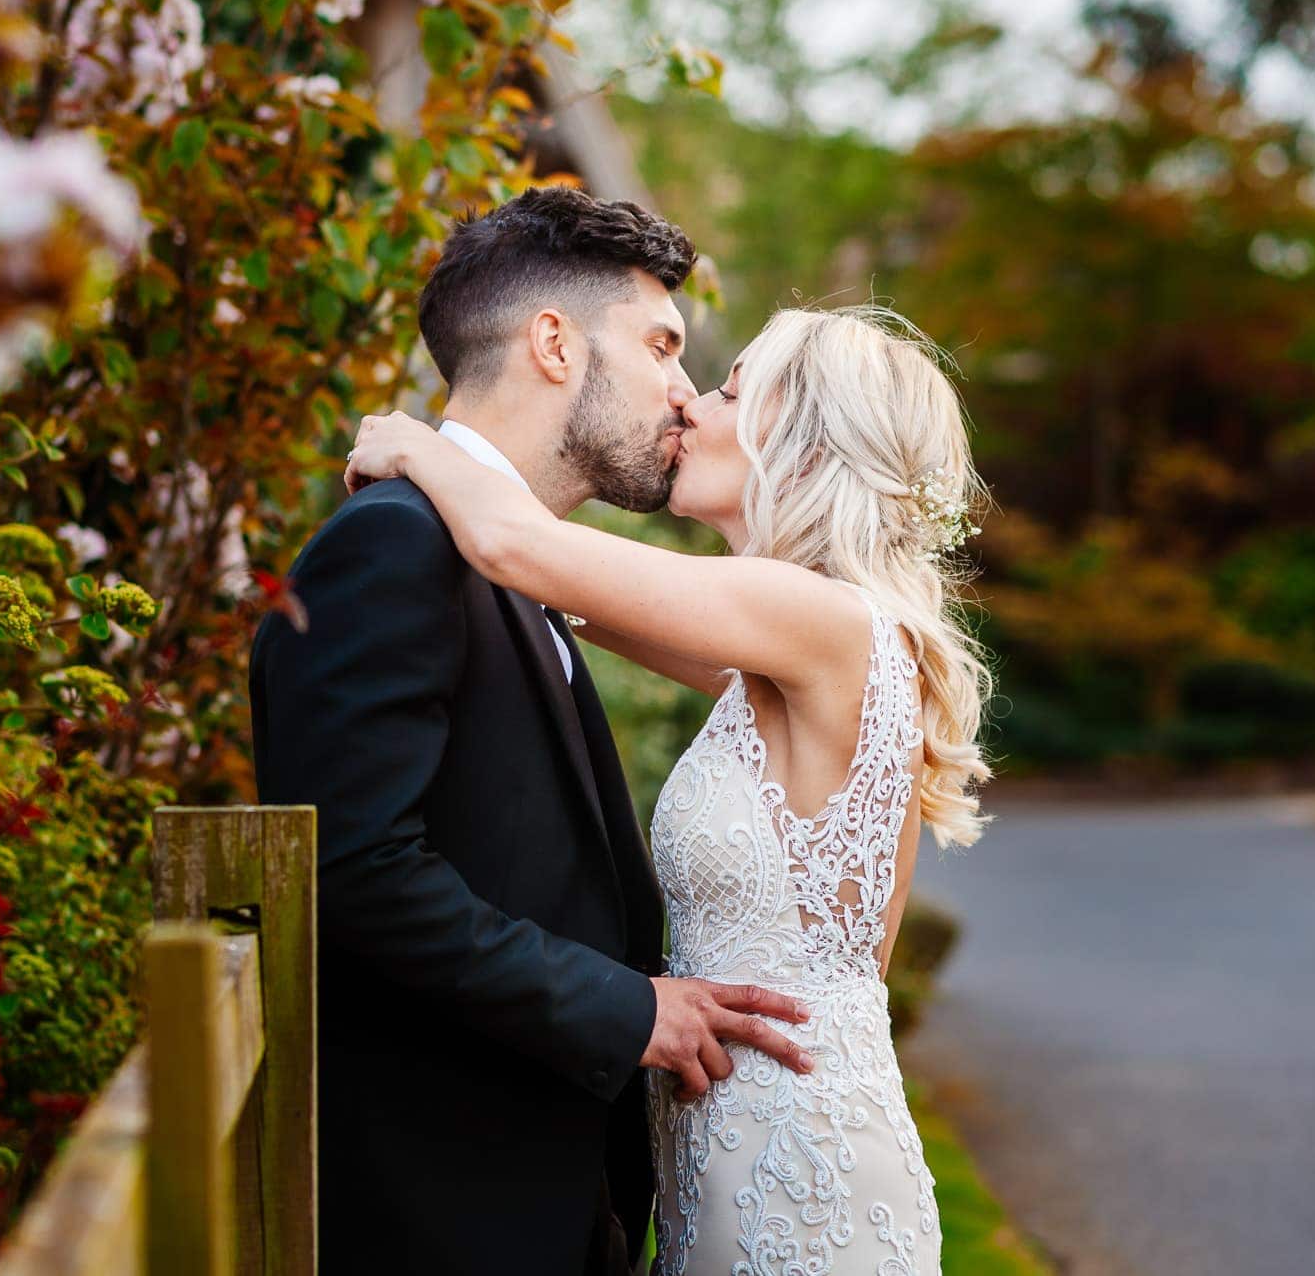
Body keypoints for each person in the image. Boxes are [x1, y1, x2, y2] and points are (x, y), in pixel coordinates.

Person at [342, 296, 995, 1275]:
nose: (690, 404)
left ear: (796, 437)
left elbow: (522, 552)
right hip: (742, 1133)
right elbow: (567, 599)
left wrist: (420, 445)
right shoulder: (798, 649)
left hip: (795, 1159)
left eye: (730, 391)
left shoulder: (813, 618)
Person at [250, 186, 818, 1276]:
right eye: (661, 345)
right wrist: (624, 1011)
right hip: (445, 1208)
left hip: (549, 1192)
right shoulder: (394, 548)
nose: (683, 392)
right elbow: (355, 867)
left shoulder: (503, 564)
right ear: (553, 343)